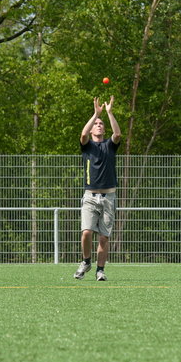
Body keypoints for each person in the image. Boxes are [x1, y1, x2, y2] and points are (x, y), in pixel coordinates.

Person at [74, 96, 121, 281]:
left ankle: (100, 270)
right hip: (90, 196)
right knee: (86, 232)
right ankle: (86, 261)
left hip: (108, 197)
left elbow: (117, 135)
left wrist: (109, 112)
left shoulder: (109, 146)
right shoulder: (88, 146)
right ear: (93, 127)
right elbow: (83, 135)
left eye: (102, 123)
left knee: (103, 238)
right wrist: (96, 114)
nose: (99, 125)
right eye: (97, 123)